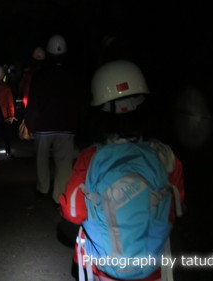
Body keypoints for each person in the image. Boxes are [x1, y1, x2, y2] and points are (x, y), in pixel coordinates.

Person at [59, 60, 185, 281]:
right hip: (151, 269)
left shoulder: (90, 158)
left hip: (103, 268)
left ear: (99, 113)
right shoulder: (165, 156)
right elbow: (175, 210)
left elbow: (73, 213)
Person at [23, 34, 84, 206]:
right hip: (66, 126)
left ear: (48, 54)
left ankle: (43, 188)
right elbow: (78, 102)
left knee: (41, 159)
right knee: (64, 163)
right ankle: (59, 196)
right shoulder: (73, 75)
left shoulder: (40, 76)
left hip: (43, 126)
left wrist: (31, 124)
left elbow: (34, 103)